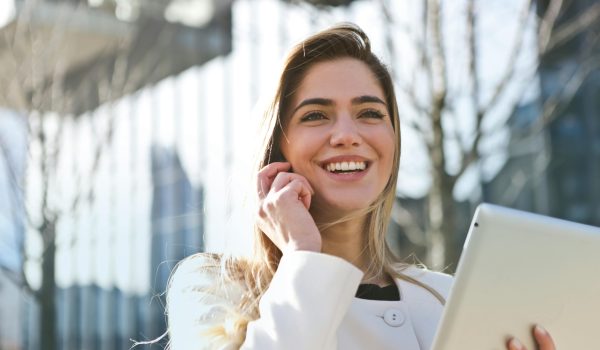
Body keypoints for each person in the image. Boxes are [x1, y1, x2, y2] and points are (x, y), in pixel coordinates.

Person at [166, 23, 555, 350]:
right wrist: (304, 255)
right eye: (316, 115)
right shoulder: (211, 289)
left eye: (369, 113)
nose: (347, 135)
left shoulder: (447, 298)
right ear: (276, 148)